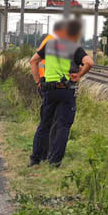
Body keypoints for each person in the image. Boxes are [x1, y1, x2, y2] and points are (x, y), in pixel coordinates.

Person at [28, 20, 94, 168]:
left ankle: (35, 159)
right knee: (63, 126)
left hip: (49, 90)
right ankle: (54, 162)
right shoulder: (74, 48)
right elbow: (89, 62)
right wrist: (79, 75)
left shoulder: (49, 45)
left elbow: (33, 61)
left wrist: (38, 81)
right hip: (66, 91)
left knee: (44, 124)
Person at [37, 20, 67, 159]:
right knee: (54, 122)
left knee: (47, 121)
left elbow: (34, 60)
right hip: (49, 84)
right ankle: (49, 153)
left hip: (46, 84)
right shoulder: (55, 42)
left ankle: (43, 154)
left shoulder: (51, 41)